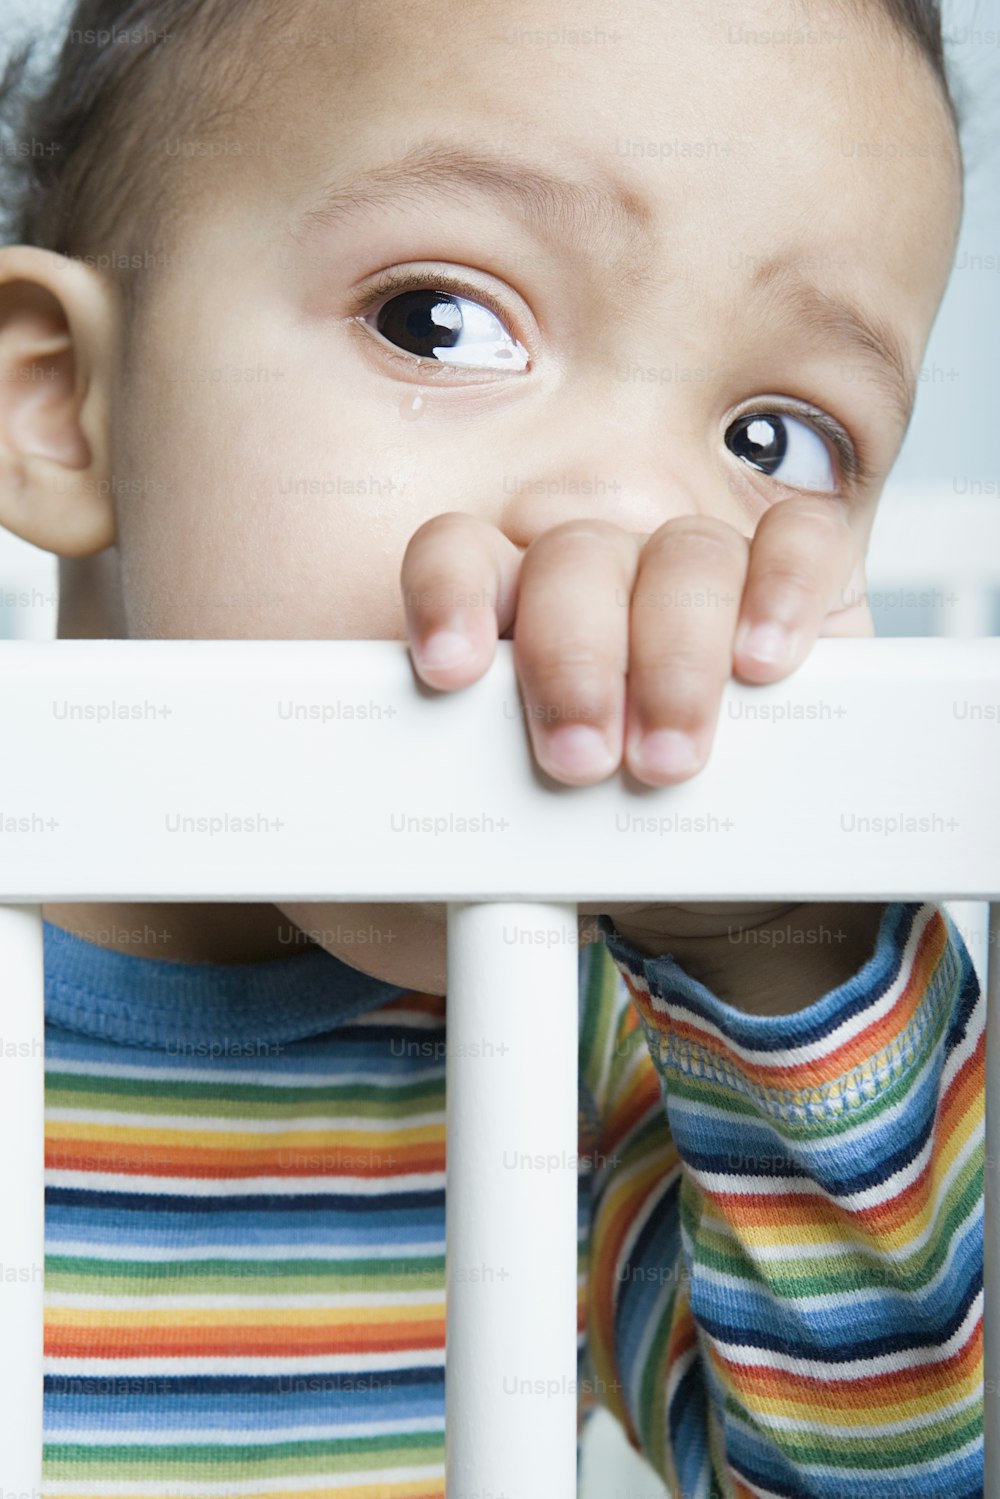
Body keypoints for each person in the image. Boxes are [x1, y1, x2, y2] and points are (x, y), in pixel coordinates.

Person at [0, 0, 982, 1492]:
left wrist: (785, 930)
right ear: (62, 406)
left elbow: (903, 1468)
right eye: (439, 321)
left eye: (778, 441)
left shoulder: (605, 1057)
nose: (628, 516)